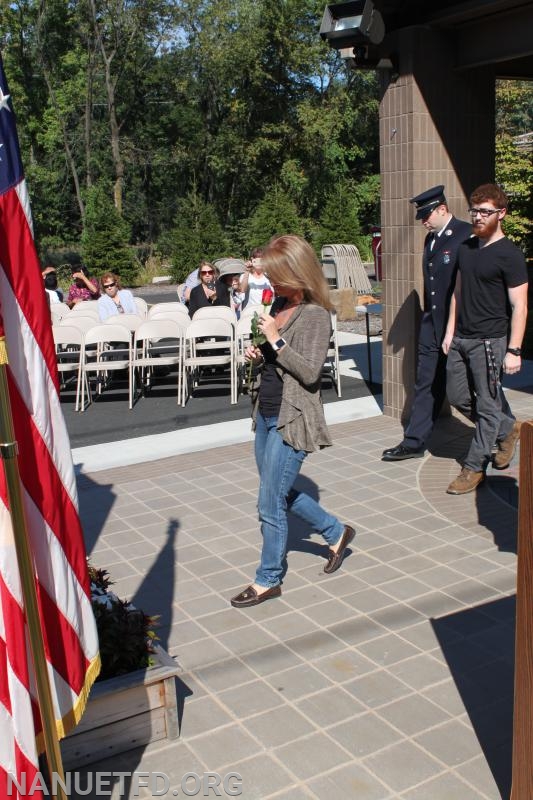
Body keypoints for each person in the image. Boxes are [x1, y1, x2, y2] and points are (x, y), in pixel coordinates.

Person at [230, 235, 355, 609]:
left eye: (276, 276)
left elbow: (311, 372)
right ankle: (336, 532)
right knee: (278, 491)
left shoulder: (315, 315)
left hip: (294, 418)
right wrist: (259, 351)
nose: (270, 283)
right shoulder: (279, 303)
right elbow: (274, 359)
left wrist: (275, 341)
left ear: (296, 273)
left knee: (269, 503)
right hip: (266, 413)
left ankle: (268, 579)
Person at [442, 183, 528, 495]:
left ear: (501, 213)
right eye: (474, 211)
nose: (478, 217)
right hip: (462, 338)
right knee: (458, 397)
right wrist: (451, 331)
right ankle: (508, 428)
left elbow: (520, 305)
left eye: (485, 212)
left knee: (489, 406)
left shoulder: (509, 256)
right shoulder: (466, 248)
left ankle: (474, 466)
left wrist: (514, 349)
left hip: (490, 342)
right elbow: (458, 292)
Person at [382, 185, 471, 461]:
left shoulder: (466, 236)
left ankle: (502, 430)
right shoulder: (430, 240)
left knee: (471, 385)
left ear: (442, 209)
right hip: (433, 326)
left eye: (427, 215)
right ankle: (414, 441)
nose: (423, 221)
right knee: (426, 382)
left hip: (460, 326)